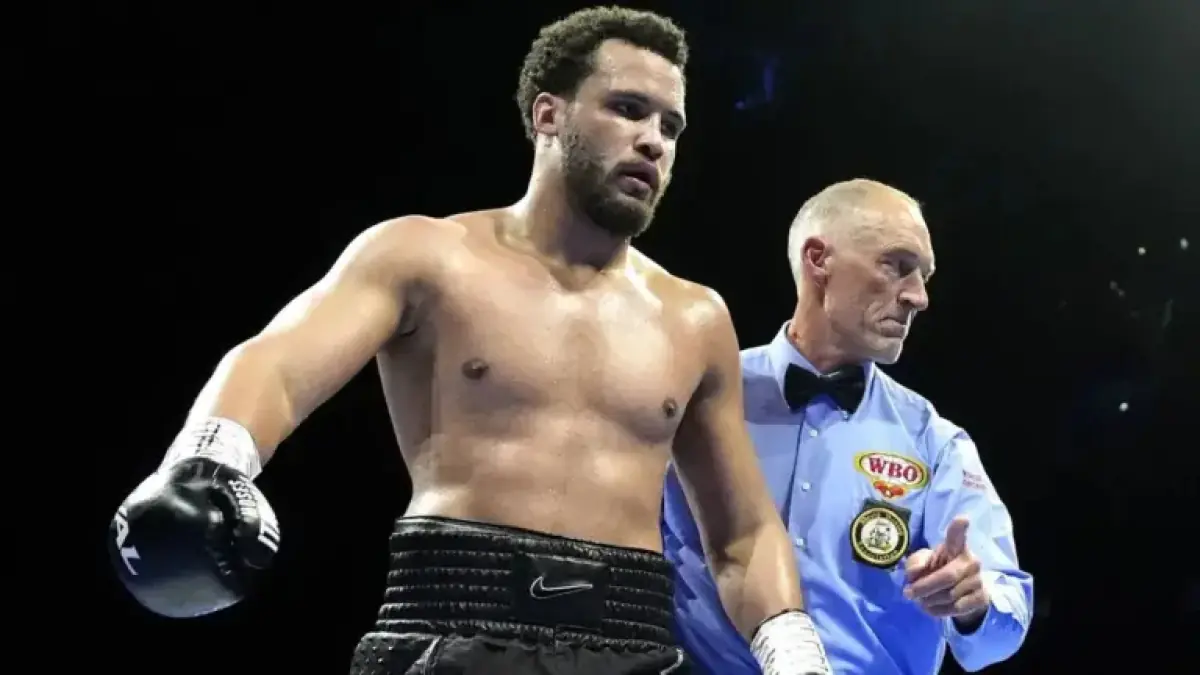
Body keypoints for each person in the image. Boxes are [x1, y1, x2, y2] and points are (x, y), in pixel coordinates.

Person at [106, 7, 833, 675]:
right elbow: (280, 366)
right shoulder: (426, 256)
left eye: (671, 127)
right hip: (452, 628)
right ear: (548, 114)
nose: (653, 140)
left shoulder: (695, 317)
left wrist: (795, 652)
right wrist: (208, 461)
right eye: (627, 109)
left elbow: (742, 534)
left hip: (633, 645)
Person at [662, 179, 1034, 674]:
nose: (919, 297)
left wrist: (974, 600)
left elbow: (1001, 629)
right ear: (818, 260)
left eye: (924, 275)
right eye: (897, 265)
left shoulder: (933, 440)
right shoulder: (698, 396)